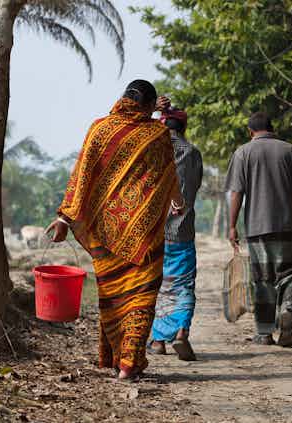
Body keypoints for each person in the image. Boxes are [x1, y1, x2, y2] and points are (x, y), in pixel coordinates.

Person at [46, 80, 185, 380]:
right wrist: (179, 203)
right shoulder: (158, 134)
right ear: (150, 106)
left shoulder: (100, 129)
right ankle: (128, 364)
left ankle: (115, 358)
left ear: (122, 100)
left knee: (113, 297)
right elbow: (170, 174)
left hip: (104, 235)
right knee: (142, 298)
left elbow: (82, 174)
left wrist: (65, 219)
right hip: (144, 235)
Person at [225, 112, 292, 347]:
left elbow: (237, 193)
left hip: (257, 228)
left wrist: (232, 226)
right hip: (289, 226)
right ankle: (288, 311)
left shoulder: (243, 152)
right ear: (272, 128)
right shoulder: (291, 151)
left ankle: (264, 333)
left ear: (250, 132)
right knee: (289, 274)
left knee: (263, 279)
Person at [148, 108, 203, 361]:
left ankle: (158, 341)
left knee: (158, 285)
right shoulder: (192, 154)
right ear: (184, 127)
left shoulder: (153, 152)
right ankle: (181, 331)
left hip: (153, 231)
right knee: (182, 285)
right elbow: (194, 186)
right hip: (182, 231)